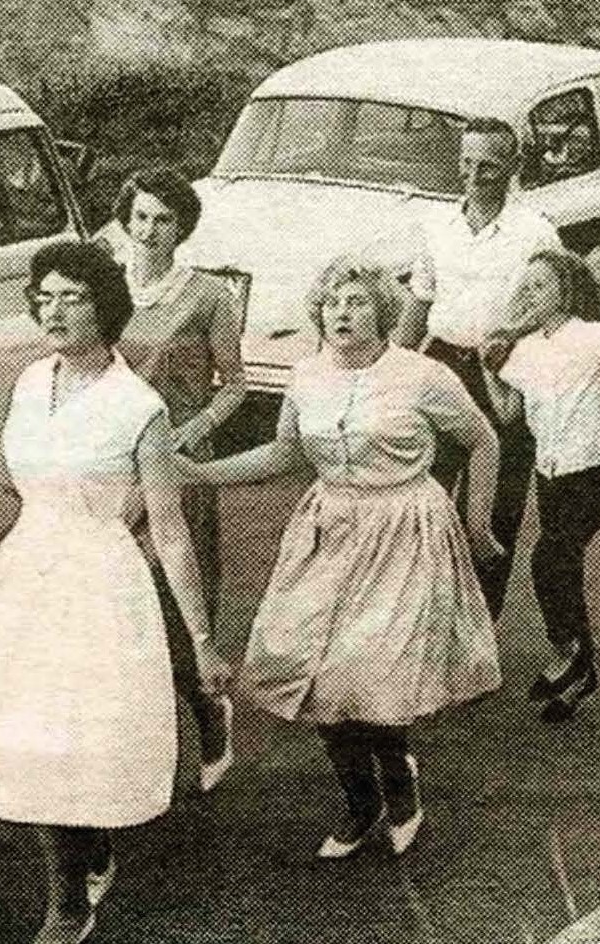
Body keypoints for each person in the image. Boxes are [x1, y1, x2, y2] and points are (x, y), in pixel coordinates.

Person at [0, 240, 227, 944]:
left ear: (106, 308)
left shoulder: (138, 407)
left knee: (74, 734)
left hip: (99, 581)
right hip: (26, 571)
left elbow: (172, 531)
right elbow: (20, 469)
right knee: (29, 732)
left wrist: (205, 643)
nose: (53, 310)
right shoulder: (33, 382)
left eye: (72, 298)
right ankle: (72, 876)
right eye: (45, 297)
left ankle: (70, 899)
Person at [182, 256, 502, 860]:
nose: (342, 314)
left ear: (381, 312)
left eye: (355, 303)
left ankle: (399, 783)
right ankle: (361, 800)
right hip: (328, 530)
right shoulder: (306, 377)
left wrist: (477, 520)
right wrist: (200, 472)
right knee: (317, 677)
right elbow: (284, 454)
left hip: (405, 527)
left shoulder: (423, 375)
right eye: (332, 304)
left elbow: (483, 440)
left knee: (376, 674)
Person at [103, 167, 244, 787]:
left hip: (178, 454)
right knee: (117, 604)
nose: (151, 231)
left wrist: (195, 427)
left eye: (164, 220)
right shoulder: (105, 289)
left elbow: (234, 384)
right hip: (112, 457)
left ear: (183, 227)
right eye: (141, 219)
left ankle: (210, 711)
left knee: (177, 597)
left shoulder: (210, 294)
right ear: (126, 222)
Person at [397, 117, 561, 620]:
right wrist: (387, 368)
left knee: (495, 512)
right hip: (443, 364)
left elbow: (557, 298)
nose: (473, 175)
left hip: (508, 371)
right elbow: (420, 303)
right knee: (426, 496)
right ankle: (424, 621)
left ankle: (479, 630)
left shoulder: (535, 231)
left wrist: (515, 341)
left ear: (513, 168)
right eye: (466, 163)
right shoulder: (437, 226)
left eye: (487, 166)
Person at [482, 250, 600, 721]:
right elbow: (510, 414)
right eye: (526, 287)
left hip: (598, 465)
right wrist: (487, 367)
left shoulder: (595, 335)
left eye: (540, 286)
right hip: (551, 468)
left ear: (565, 290)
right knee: (563, 560)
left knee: (549, 557)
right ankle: (573, 660)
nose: (529, 295)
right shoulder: (527, 348)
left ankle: (575, 658)